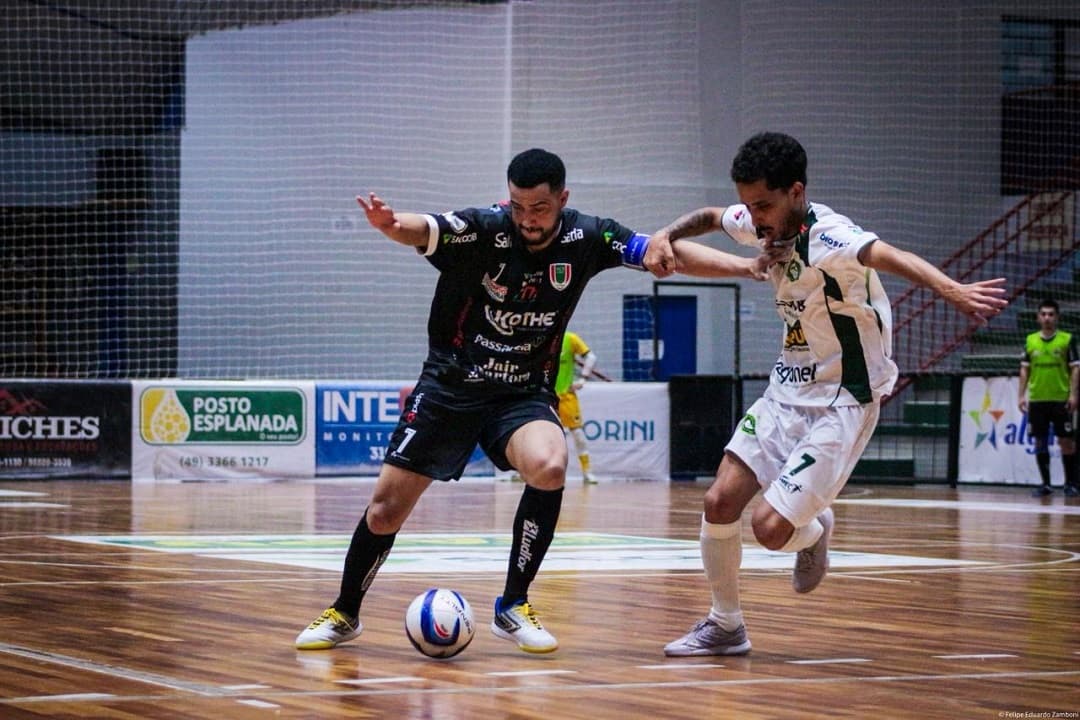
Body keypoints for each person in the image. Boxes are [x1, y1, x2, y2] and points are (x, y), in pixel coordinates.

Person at [295, 148, 769, 654]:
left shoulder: (587, 236)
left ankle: (512, 606)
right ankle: (345, 612)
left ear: (562, 199)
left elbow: (663, 249)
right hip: (451, 386)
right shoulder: (482, 228)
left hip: (521, 393)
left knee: (549, 464)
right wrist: (391, 225)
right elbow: (423, 227)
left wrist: (747, 267)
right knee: (386, 512)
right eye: (518, 207)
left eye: (539, 208)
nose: (527, 219)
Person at [643, 131, 1008, 657]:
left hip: (845, 396)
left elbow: (891, 255)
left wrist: (951, 290)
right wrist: (665, 233)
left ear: (796, 191)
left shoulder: (832, 236)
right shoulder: (759, 219)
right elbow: (707, 216)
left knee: (770, 530)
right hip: (786, 386)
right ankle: (726, 625)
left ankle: (812, 533)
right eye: (748, 205)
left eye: (763, 205)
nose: (754, 217)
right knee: (719, 501)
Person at [1018, 298, 1079, 497]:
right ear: (1037, 317)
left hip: (1060, 398)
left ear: (1057, 317)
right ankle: (1046, 484)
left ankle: (1070, 483)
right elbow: (1024, 370)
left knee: (1066, 441)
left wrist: (1073, 394)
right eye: (1043, 314)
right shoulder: (1030, 340)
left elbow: (1075, 368)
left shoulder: (1067, 340)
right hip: (1037, 399)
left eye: (1051, 314)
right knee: (1039, 441)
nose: (1047, 318)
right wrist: (1021, 395)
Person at [556, 330, 599, 484]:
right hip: (545, 396)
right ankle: (522, 471)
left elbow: (591, 356)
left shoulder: (570, 339)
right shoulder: (542, 338)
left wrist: (583, 378)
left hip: (566, 396)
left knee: (578, 435)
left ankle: (587, 472)